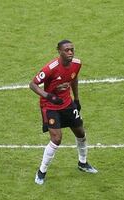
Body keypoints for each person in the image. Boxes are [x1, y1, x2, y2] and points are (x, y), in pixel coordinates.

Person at [29, 39, 97, 185]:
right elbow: (33, 84)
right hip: (50, 106)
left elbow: (74, 78)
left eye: (72, 49)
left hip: (67, 104)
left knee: (81, 133)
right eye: (67, 50)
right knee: (56, 139)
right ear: (59, 51)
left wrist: (77, 99)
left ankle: (82, 163)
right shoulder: (50, 68)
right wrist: (49, 96)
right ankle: (41, 172)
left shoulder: (77, 64)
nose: (70, 52)